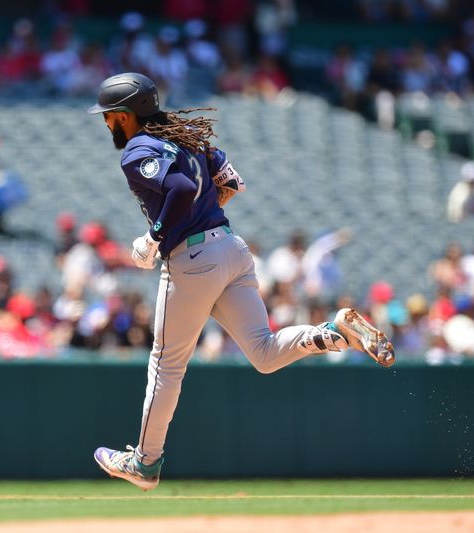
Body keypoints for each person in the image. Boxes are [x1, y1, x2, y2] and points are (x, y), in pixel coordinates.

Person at [87, 73, 395, 491]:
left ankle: (145, 462)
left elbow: (177, 188)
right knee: (264, 354)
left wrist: (155, 238)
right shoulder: (187, 138)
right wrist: (203, 217)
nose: (107, 124)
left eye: (109, 116)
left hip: (192, 259)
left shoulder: (138, 148)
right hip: (230, 246)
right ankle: (335, 334)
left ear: (125, 116)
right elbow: (232, 183)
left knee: (166, 365)